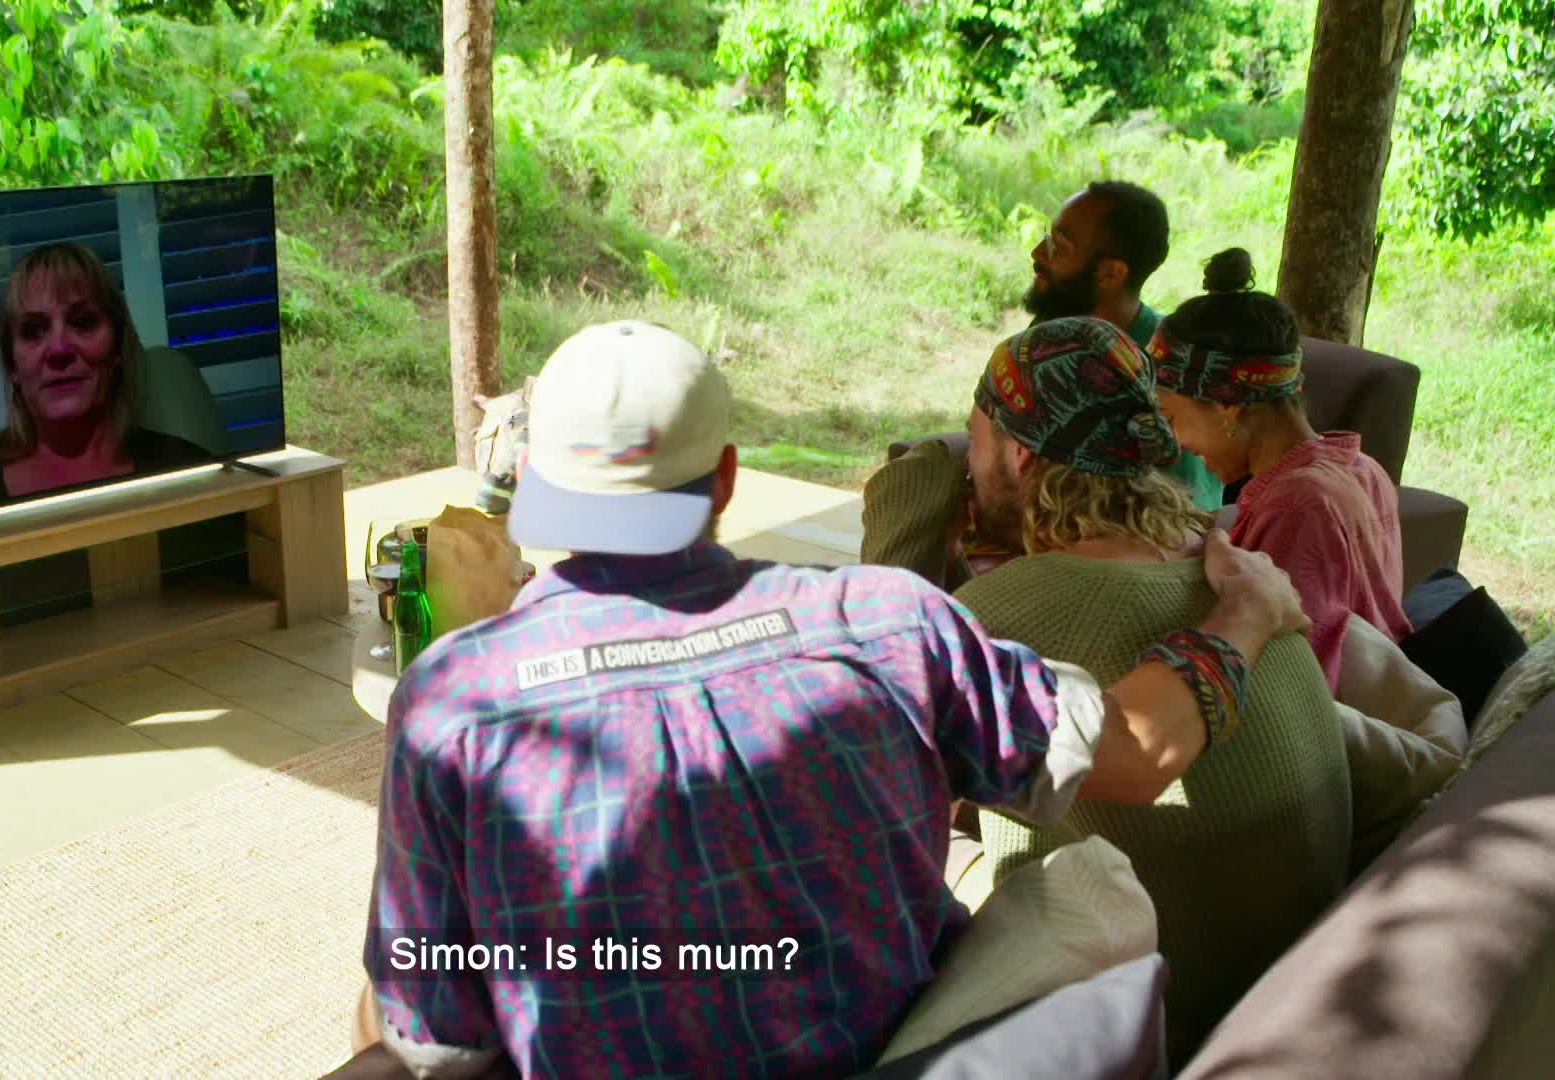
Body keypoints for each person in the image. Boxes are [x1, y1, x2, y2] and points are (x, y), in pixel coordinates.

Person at [343, 319, 1312, 1078]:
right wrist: (1243, 616)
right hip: (892, 1055)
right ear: (726, 478)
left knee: (383, 1001)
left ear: (533, 482)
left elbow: (437, 1040)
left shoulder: (452, 700)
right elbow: (1135, 745)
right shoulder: (890, 622)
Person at [863, 316, 1352, 1065]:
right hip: (1286, 988)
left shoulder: (1008, 612)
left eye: (977, 441)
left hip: (1154, 1020)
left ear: (1021, 456)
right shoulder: (1234, 567)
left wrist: (903, 534)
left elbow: (871, 776)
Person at [1148, 247, 1412, 692]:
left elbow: (1285, 674)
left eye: (1172, 417)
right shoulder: (1363, 469)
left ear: (1227, 406)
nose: (1176, 440)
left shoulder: (1298, 504)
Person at [0, 242, 210, 523]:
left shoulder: (192, 476)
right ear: (12, 365)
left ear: (118, 347)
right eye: (33, 330)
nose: (59, 349)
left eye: (83, 322)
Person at [1023, 181, 1224, 511]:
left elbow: (1189, 512)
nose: (1037, 253)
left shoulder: (1173, 371)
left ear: (1110, 273)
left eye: (1058, 246)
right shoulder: (1049, 334)